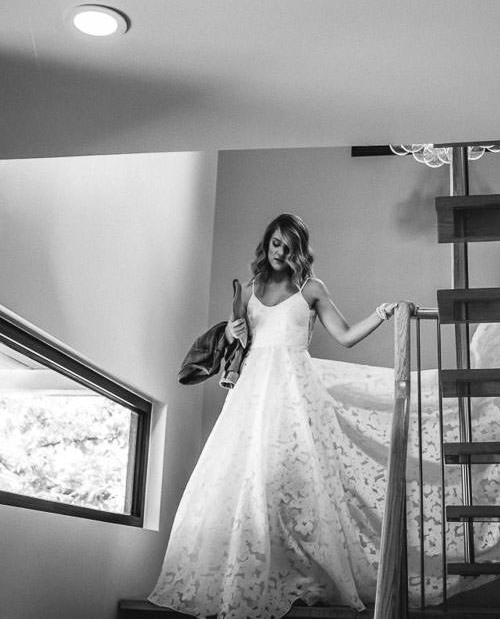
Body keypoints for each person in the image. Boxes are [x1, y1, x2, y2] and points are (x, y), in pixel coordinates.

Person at [148, 213, 398, 618]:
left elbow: (347, 337)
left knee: (295, 481)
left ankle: (302, 576)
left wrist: (383, 313)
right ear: (266, 244)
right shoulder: (250, 290)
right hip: (251, 392)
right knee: (247, 478)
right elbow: (240, 344)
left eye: (287, 245)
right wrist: (231, 333)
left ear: (299, 249)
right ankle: (249, 575)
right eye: (274, 243)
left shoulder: (311, 290)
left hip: (296, 394)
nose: (279, 251)